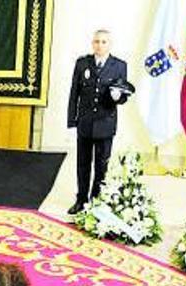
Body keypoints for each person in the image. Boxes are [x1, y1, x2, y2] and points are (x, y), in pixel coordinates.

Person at [67, 29, 130, 215]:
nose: (99, 45)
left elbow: (124, 97)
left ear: (110, 45)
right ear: (92, 43)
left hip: (105, 124)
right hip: (85, 123)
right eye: (96, 41)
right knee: (83, 163)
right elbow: (74, 94)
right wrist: (73, 119)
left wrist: (118, 97)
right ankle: (81, 199)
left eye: (103, 42)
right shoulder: (82, 63)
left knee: (102, 164)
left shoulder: (119, 66)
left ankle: (97, 199)